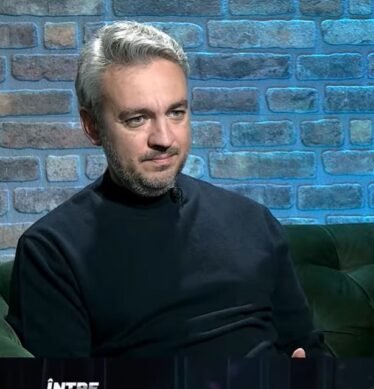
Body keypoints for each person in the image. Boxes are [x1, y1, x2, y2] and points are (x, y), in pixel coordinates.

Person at [6, 21, 324, 357]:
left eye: (176, 112)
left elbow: (308, 351)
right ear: (92, 126)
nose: (164, 138)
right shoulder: (52, 250)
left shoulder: (252, 220)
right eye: (137, 119)